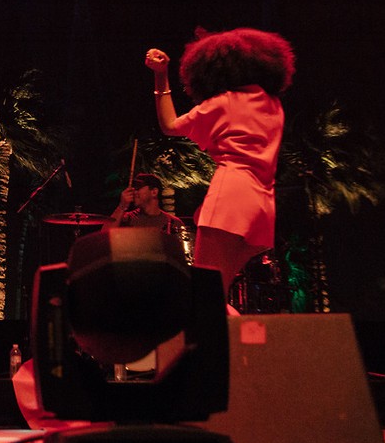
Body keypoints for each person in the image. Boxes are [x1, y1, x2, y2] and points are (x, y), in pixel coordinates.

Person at [144, 27, 295, 299]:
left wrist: (161, 76)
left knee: (205, 296)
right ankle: (240, 339)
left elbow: (169, 126)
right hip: (262, 204)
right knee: (216, 294)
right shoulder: (273, 105)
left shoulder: (223, 103)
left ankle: (224, 339)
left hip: (231, 196)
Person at [110, 172, 193, 266]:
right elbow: (104, 238)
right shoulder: (127, 218)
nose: (134, 192)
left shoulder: (174, 223)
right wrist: (122, 206)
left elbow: (182, 259)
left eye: (138, 188)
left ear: (154, 192)